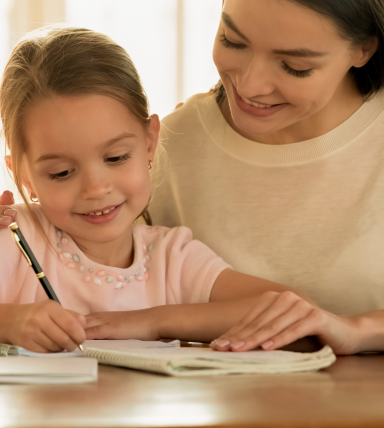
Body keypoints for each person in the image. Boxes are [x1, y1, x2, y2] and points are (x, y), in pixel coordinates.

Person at [1, 25, 354, 355]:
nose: (96, 188)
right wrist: (8, 322)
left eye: (116, 157)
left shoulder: (171, 258)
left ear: (150, 142)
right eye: (61, 173)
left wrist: (152, 322)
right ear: (23, 174)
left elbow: (292, 307)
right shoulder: (16, 239)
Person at [149, 0, 384, 344]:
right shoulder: (171, 150)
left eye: (294, 66)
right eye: (232, 41)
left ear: (363, 50)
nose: (252, 85)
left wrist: (355, 329)